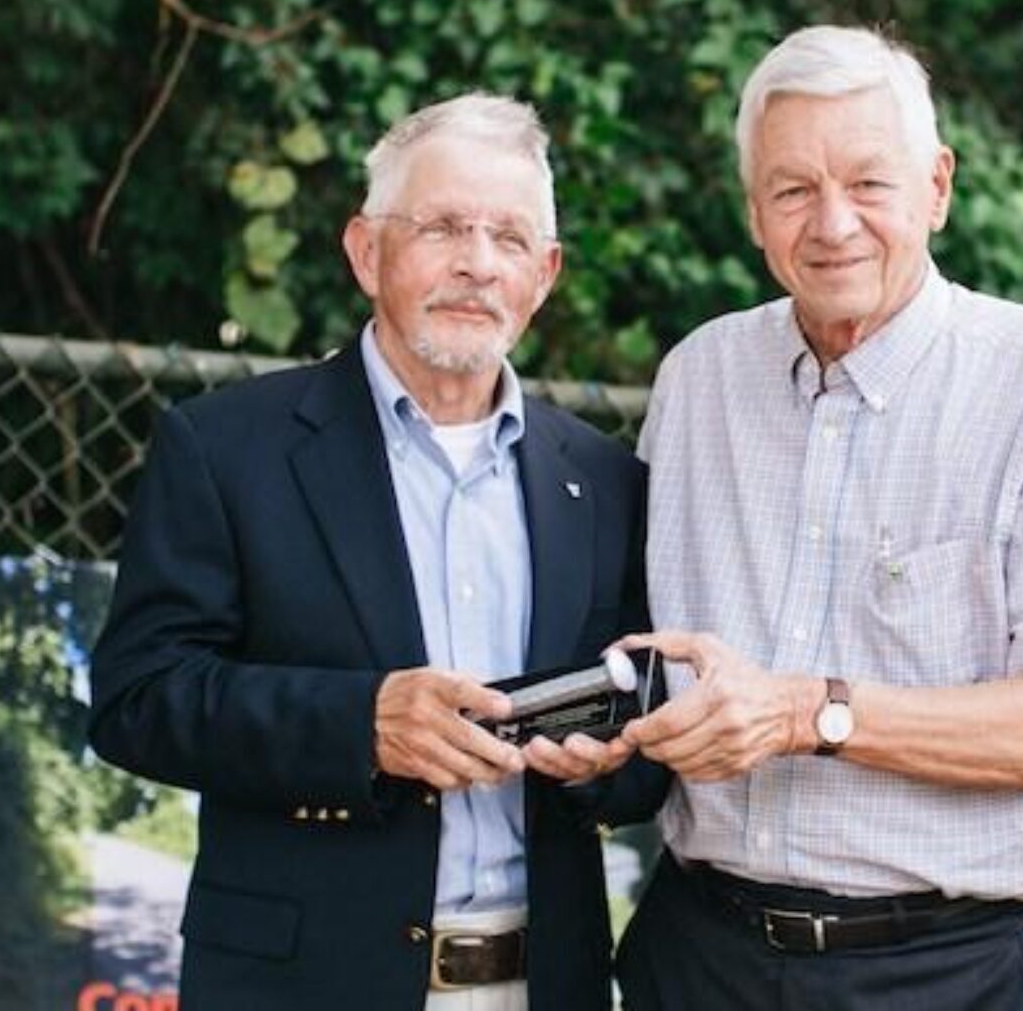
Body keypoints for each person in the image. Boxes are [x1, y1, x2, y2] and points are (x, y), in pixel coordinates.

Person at [613, 26, 1023, 1009]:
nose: (833, 222)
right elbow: (652, 665)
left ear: (938, 187)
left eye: (869, 184)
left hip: (953, 969)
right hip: (702, 956)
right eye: (794, 189)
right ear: (755, 213)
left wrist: (807, 712)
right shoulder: (696, 379)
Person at [89, 93, 659, 1010]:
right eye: (442, 227)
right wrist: (362, 725)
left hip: (545, 982)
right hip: (308, 983)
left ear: (545, 273)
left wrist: (610, 765)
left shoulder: (603, 478)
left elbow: (646, 753)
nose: (477, 264)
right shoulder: (226, 448)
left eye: (510, 239)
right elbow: (136, 699)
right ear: (366, 251)